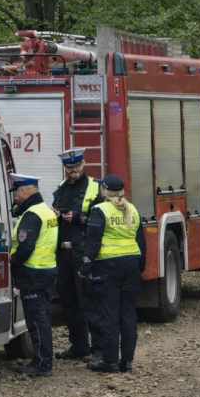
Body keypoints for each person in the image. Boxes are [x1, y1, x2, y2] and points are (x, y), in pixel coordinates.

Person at [78, 174, 146, 374]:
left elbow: (93, 243)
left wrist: (84, 268)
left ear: (104, 191)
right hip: (132, 263)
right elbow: (141, 241)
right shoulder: (132, 209)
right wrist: (140, 265)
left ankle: (109, 361)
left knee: (109, 315)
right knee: (128, 314)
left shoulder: (100, 210)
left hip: (108, 266)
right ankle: (127, 360)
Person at [52, 148, 104, 362]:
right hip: (63, 253)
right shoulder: (61, 189)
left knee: (89, 302)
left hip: (83, 252)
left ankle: (99, 349)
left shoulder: (96, 187)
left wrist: (79, 217)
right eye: (69, 169)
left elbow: (102, 214)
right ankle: (79, 345)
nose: (72, 172)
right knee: (69, 301)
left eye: (76, 168)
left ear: (83, 164)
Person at [9, 173, 58, 377]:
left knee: (37, 321)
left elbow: (26, 246)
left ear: (23, 191)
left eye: (16, 194)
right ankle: (43, 360)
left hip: (32, 274)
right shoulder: (46, 209)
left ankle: (42, 364)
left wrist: (13, 259)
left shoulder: (31, 214)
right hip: (46, 271)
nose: (15, 198)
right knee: (43, 317)